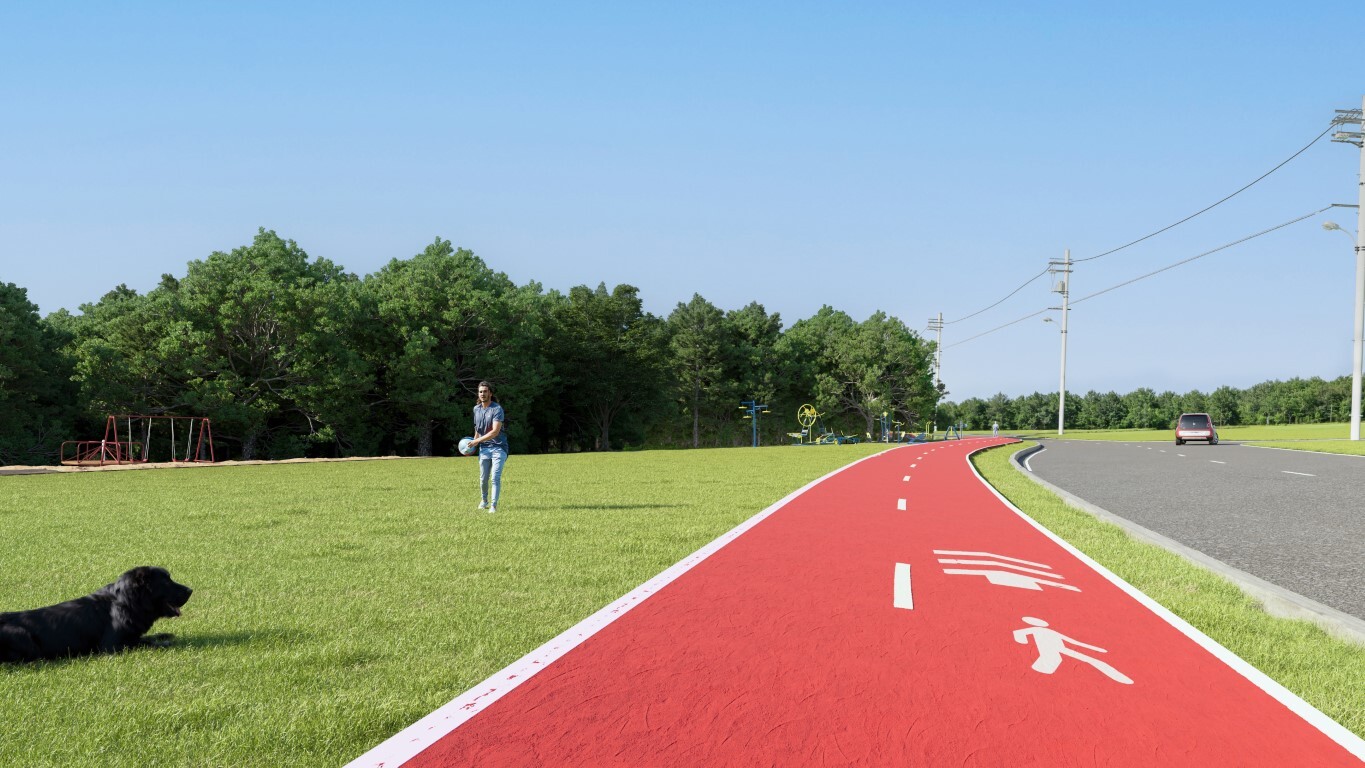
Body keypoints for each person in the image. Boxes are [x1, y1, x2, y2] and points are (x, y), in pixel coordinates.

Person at [469, 380, 508, 513]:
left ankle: (493, 505)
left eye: (485, 391)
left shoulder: (497, 409)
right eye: (480, 392)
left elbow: (495, 432)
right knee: (483, 479)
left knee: (495, 477)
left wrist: (477, 441)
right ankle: (484, 500)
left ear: (490, 393)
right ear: (478, 394)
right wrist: (473, 444)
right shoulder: (476, 409)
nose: (482, 394)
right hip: (484, 449)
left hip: (499, 447)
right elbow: (478, 429)